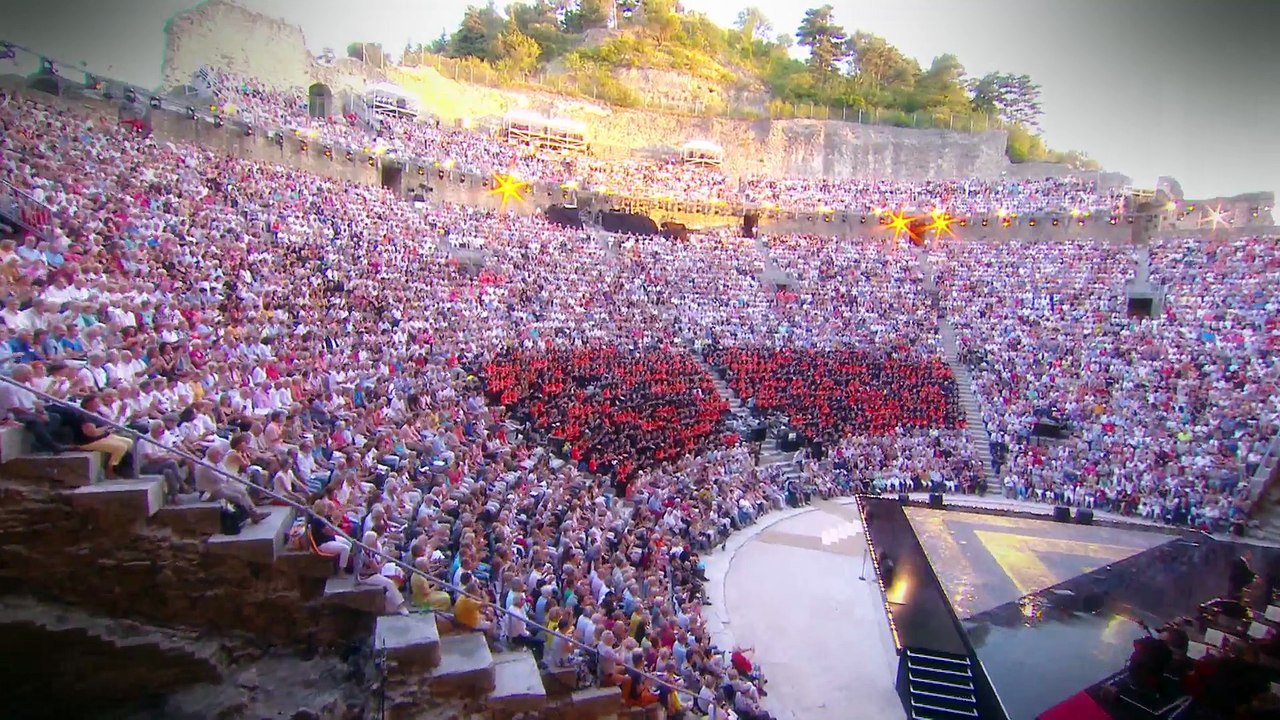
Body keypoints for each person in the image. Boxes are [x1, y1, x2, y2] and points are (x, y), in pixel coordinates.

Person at [74, 393, 134, 478]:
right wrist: (106, 428)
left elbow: (112, 424)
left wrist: (120, 413)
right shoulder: (85, 415)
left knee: (129, 442)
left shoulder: (98, 413)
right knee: (120, 447)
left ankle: (123, 469)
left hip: (104, 436)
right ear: (88, 404)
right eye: (96, 402)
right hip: (89, 441)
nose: (98, 404)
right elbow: (92, 433)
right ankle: (110, 469)